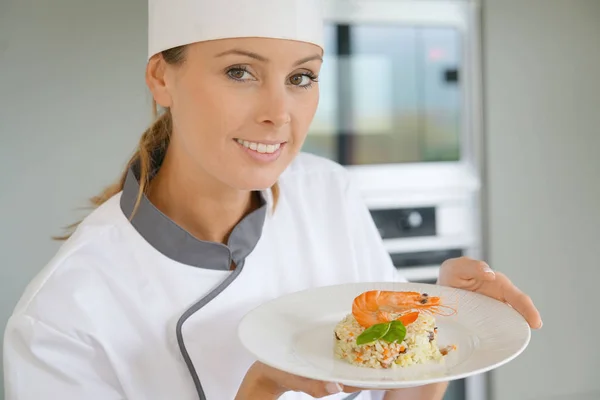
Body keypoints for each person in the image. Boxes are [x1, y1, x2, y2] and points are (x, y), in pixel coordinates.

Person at [3, 0, 542, 399]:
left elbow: (393, 390)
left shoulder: (327, 193)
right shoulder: (61, 320)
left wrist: (439, 326)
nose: (279, 113)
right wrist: (257, 390)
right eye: (241, 71)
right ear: (161, 77)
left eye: (301, 77)